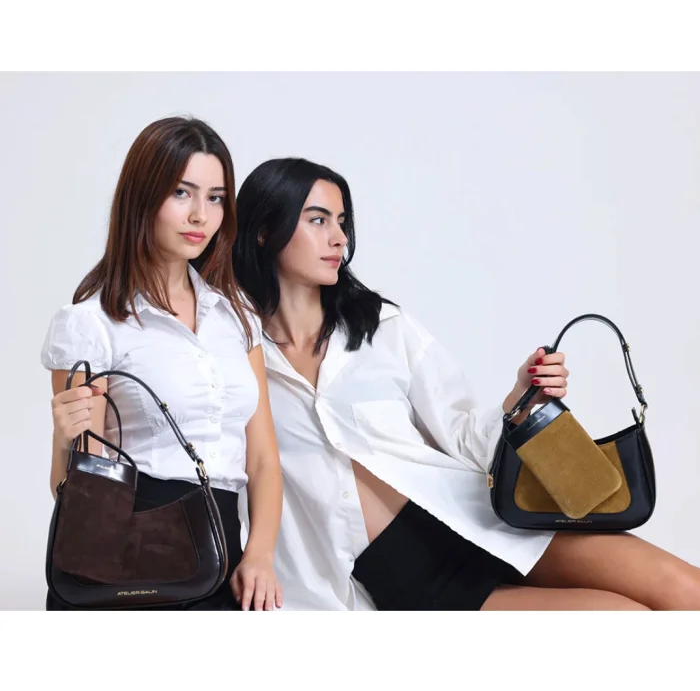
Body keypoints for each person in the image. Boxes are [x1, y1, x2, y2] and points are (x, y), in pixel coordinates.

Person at [232, 156, 700, 611]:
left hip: (478, 513)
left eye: (341, 221)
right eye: (318, 220)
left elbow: (460, 435)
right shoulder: (235, 358)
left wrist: (522, 396)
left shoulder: (382, 327)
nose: (338, 237)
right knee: (626, 620)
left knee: (684, 590)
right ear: (264, 230)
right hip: (413, 573)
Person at [42, 117, 283, 611]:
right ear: (142, 197)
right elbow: (78, 487)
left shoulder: (236, 316)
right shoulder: (92, 323)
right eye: (181, 192)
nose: (200, 215)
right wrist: (64, 439)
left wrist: (259, 554)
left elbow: (261, 457)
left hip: (224, 556)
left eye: (216, 198)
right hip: (131, 554)